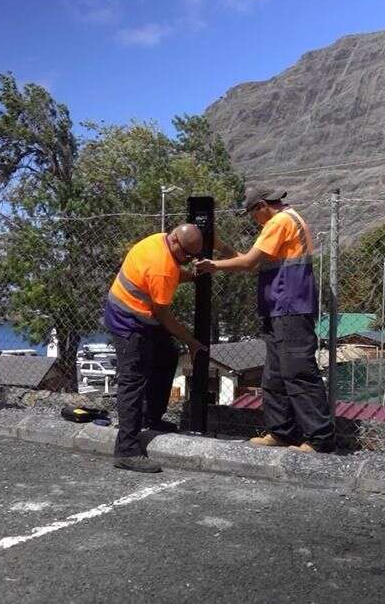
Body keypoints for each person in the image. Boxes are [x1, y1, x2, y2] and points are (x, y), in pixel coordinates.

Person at [195, 188, 336, 453]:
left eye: (251, 214)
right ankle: (282, 432)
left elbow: (248, 263)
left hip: (290, 305)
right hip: (280, 307)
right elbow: (254, 263)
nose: (253, 220)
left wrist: (213, 265)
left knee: (298, 371)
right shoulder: (287, 220)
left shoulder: (279, 222)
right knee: (275, 374)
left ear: (261, 206)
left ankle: (319, 439)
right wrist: (221, 247)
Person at [104, 223, 207, 473]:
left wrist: (192, 276)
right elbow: (164, 316)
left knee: (166, 357)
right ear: (175, 242)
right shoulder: (162, 267)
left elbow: (173, 271)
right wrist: (191, 341)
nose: (189, 260)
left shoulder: (160, 240)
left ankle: (151, 418)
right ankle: (126, 450)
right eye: (188, 256)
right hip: (129, 322)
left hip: (141, 316)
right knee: (133, 381)